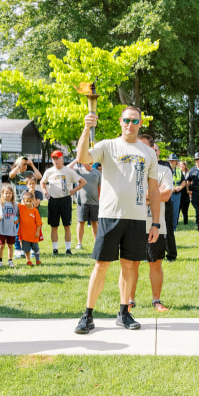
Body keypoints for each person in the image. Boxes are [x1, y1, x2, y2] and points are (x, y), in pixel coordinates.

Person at [73, 106, 160, 334]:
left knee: (129, 265)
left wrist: (156, 222)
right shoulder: (107, 145)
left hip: (137, 216)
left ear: (140, 123)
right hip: (110, 215)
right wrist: (86, 128)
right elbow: (82, 158)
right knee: (101, 265)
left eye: (134, 121)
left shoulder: (148, 153)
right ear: (120, 122)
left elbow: (154, 189)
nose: (129, 124)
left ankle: (124, 312)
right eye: (126, 120)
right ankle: (88, 315)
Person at [122, 134, 173, 312]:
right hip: (133, 224)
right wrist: (153, 195)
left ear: (152, 150)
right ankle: (129, 301)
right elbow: (125, 196)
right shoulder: (129, 169)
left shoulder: (163, 171)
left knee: (155, 263)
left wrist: (142, 197)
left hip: (156, 225)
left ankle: (156, 301)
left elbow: (166, 195)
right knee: (131, 264)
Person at [40, 151, 85, 255]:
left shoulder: (69, 171)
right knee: (54, 226)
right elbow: (42, 182)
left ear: (62, 159)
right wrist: (45, 192)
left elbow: (83, 181)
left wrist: (74, 190)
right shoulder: (49, 171)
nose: (56, 161)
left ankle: (68, 249)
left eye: (58, 158)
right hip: (53, 200)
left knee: (67, 226)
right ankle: (55, 249)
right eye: (54, 158)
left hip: (65, 200)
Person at [69, 159, 101, 250]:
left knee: (95, 223)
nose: (89, 163)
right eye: (86, 161)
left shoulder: (97, 173)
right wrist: (76, 160)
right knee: (81, 222)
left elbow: (100, 187)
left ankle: (96, 243)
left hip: (95, 202)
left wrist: (100, 199)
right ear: (83, 162)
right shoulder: (79, 171)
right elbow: (68, 168)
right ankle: (79, 243)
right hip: (82, 202)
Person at [0, 185, 18, 267]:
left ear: (12, 194)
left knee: (10, 245)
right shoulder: (0, 203)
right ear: (2, 194)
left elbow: (17, 214)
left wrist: (16, 219)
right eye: (6, 193)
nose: (8, 195)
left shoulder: (14, 204)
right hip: (2, 228)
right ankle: (0, 261)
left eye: (10, 193)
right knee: (1, 245)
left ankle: (10, 261)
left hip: (11, 228)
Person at [18, 191, 43, 266]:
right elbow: (13, 204)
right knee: (26, 249)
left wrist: (38, 232)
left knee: (36, 248)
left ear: (33, 201)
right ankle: (28, 260)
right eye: (26, 201)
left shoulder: (35, 210)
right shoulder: (21, 208)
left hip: (33, 234)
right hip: (25, 234)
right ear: (23, 201)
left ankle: (37, 260)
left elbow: (39, 223)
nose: (28, 203)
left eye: (30, 201)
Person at [167, 153, 186, 230]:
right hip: (168, 193)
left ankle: (174, 227)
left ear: (176, 162)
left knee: (175, 211)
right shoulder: (166, 170)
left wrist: (180, 187)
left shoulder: (178, 170)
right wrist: (171, 188)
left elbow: (184, 181)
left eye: (173, 161)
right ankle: (167, 227)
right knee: (167, 210)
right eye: (171, 161)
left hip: (177, 194)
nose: (172, 162)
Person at [178, 160, 191, 225]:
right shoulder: (177, 172)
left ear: (185, 166)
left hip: (186, 193)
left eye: (183, 165)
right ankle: (176, 222)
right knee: (178, 208)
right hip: (179, 192)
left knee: (185, 209)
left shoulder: (188, 173)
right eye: (180, 165)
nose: (181, 166)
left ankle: (186, 222)